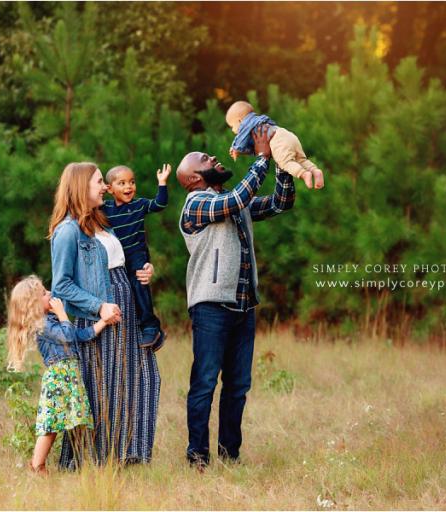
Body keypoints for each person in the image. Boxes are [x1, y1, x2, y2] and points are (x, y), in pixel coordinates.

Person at [176, 126, 296, 468]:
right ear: (193, 179)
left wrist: (282, 164)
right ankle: (197, 457)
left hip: (244, 307)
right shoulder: (196, 204)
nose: (212, 157)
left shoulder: (233, 200)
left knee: (237, 386)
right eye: (204, 159)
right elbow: (236, 200)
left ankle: (230, 456)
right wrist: (260, 158)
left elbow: (280, 204)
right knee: (204, 383)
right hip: (211, 307)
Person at [49, 162, 161, 469]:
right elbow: (61, 285)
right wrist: (99, 307)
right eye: (100, 182)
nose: (105, 187)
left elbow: (125, 257)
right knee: (101, 385)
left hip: (127, 308)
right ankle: (91, 461)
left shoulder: (105, 222)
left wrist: (144, 270)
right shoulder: (68, 231)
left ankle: (128, 453)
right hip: (99, 315)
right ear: (81, 186)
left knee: (140, 378)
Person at [6, 275, 109, 475]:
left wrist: (103, 322)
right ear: (34, 305)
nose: (50, 294)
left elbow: (79, 336)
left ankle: (83, 462)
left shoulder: (51, 321)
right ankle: (37, 465)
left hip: (69, 378)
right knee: (51, 426)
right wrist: (62, 314)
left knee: (77, 421)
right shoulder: (42, 325)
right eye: (44, 293)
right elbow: (68, 335)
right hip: (59, 379)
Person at [102, 163, 172, 350]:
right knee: (127, 294)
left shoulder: (138, 205)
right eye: (122, 183)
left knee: (140, 285)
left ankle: (150, 325)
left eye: (132, 182)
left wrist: (162, 183)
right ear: (109, 189)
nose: (128, 187)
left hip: (137, 255)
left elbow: (159, 204)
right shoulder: (105, 209)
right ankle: (151, 334)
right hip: (118, 259)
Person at [226, 100, 325, 190]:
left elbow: (241, 138)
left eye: (232, 126)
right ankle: (315, 172)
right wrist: (243, 151)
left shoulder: (245, 124)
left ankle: (304, 174)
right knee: (301, 160)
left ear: (239, 121)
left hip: (277, 139)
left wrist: (236, 148)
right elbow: (255, 147)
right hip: (286, 134)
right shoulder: (258, 120)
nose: (233, 130)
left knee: (286, 162)